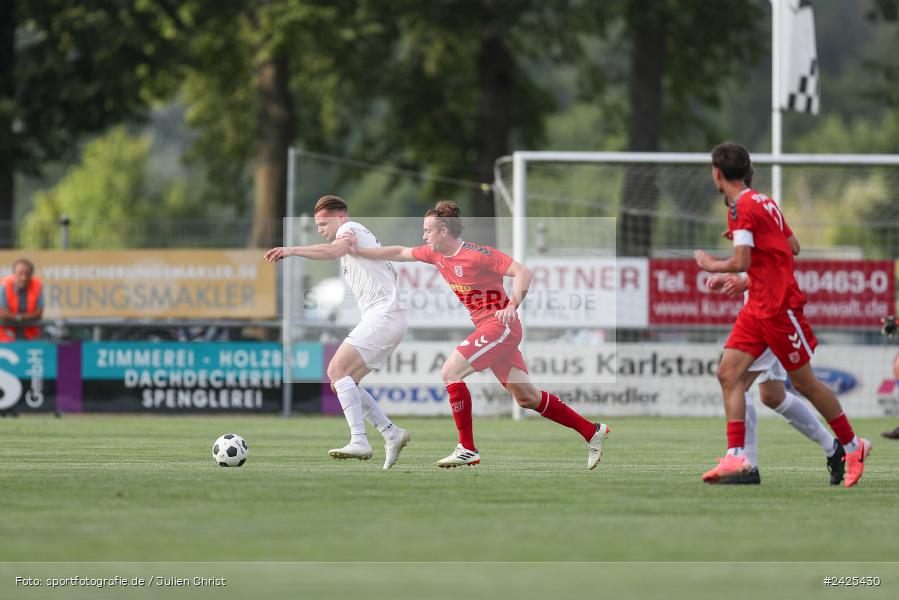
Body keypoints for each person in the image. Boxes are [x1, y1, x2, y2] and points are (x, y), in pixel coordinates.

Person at [343, 200, 609, 469]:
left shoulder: (478, 254)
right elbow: (400, 252)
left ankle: (467, 448)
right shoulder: (435, 254)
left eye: (428, 230)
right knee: (527, 397)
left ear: (444, 231)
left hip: (500, 326)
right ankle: (591, 431)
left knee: (450, 372)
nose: (424, 236)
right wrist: (361, 251)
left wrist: (512, 305)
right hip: (489, 330)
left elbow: (523, 272)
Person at [694, 142, 870, 488]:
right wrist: (749, 277)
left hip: (778, 307)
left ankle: (852, 446)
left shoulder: (741, 207)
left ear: (717, 174)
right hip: (758, 304)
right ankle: (736, 457)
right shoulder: (763, 202)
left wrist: (712, 264)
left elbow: (743, 258)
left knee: (804, 382)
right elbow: (791, 247)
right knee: (729, 375)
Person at [264, 195, 411, 470]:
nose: (320, 228)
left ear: (340, 216)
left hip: (384, 315)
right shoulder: (359, 237)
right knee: (344, 382)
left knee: (335, 370)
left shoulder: (348, 229)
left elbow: (333, 251)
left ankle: (360, 441)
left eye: (323, 222)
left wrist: (292, 250)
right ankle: (391, 433)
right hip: (389, 318)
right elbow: (390, 274)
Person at [706, 273, 845, 485]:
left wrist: (728, 273)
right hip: (763, 314)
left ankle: (747, 466)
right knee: (773, 395)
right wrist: (731, 275)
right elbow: (760, 262)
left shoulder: (767, 239)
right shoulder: (758, 242)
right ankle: (834, 449)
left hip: (769, 317)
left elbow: (775, 264)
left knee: (736, 382)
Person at [0, 258, 44, 342]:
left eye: (27, 274)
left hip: (30, 336)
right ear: (14, 274)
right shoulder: (3, 287)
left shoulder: (37, 286)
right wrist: (27, 316)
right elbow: (4, 315)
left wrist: (15, 316)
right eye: (20, 273)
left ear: (31, 275)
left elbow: (38, 313)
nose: (24, 278)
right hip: (6, 336)